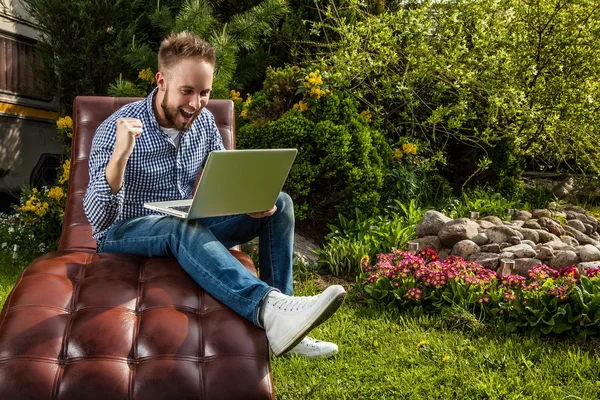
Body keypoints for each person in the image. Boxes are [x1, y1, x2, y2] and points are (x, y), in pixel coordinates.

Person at [83, 31, 345, 359]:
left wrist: (246, 204)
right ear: (161, 80)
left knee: (280, 203)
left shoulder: (204, 122)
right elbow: (98, 219)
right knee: (179, 225)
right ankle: (268, 308)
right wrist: (120, 156)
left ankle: (289, 326)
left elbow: (223, 184)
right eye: (187, 91)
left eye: (204, 92)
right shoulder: (115, 129)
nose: (195, 104)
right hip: (125, 233)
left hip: (184, 223)